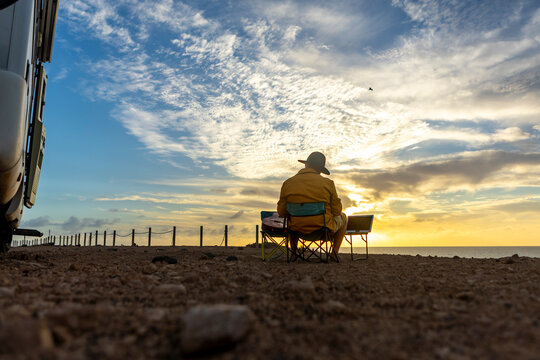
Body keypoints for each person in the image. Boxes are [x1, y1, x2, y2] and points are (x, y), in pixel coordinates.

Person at [277, 151, 347, 260]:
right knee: (344, 217)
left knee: (291, 217)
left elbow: (281, 213)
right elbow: (337, 211)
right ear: (320, 170)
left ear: (306, 165)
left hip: (296, 229)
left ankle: (294, 254)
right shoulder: (328, 184)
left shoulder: (287, 183)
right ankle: (334, 255)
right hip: (322, 229)